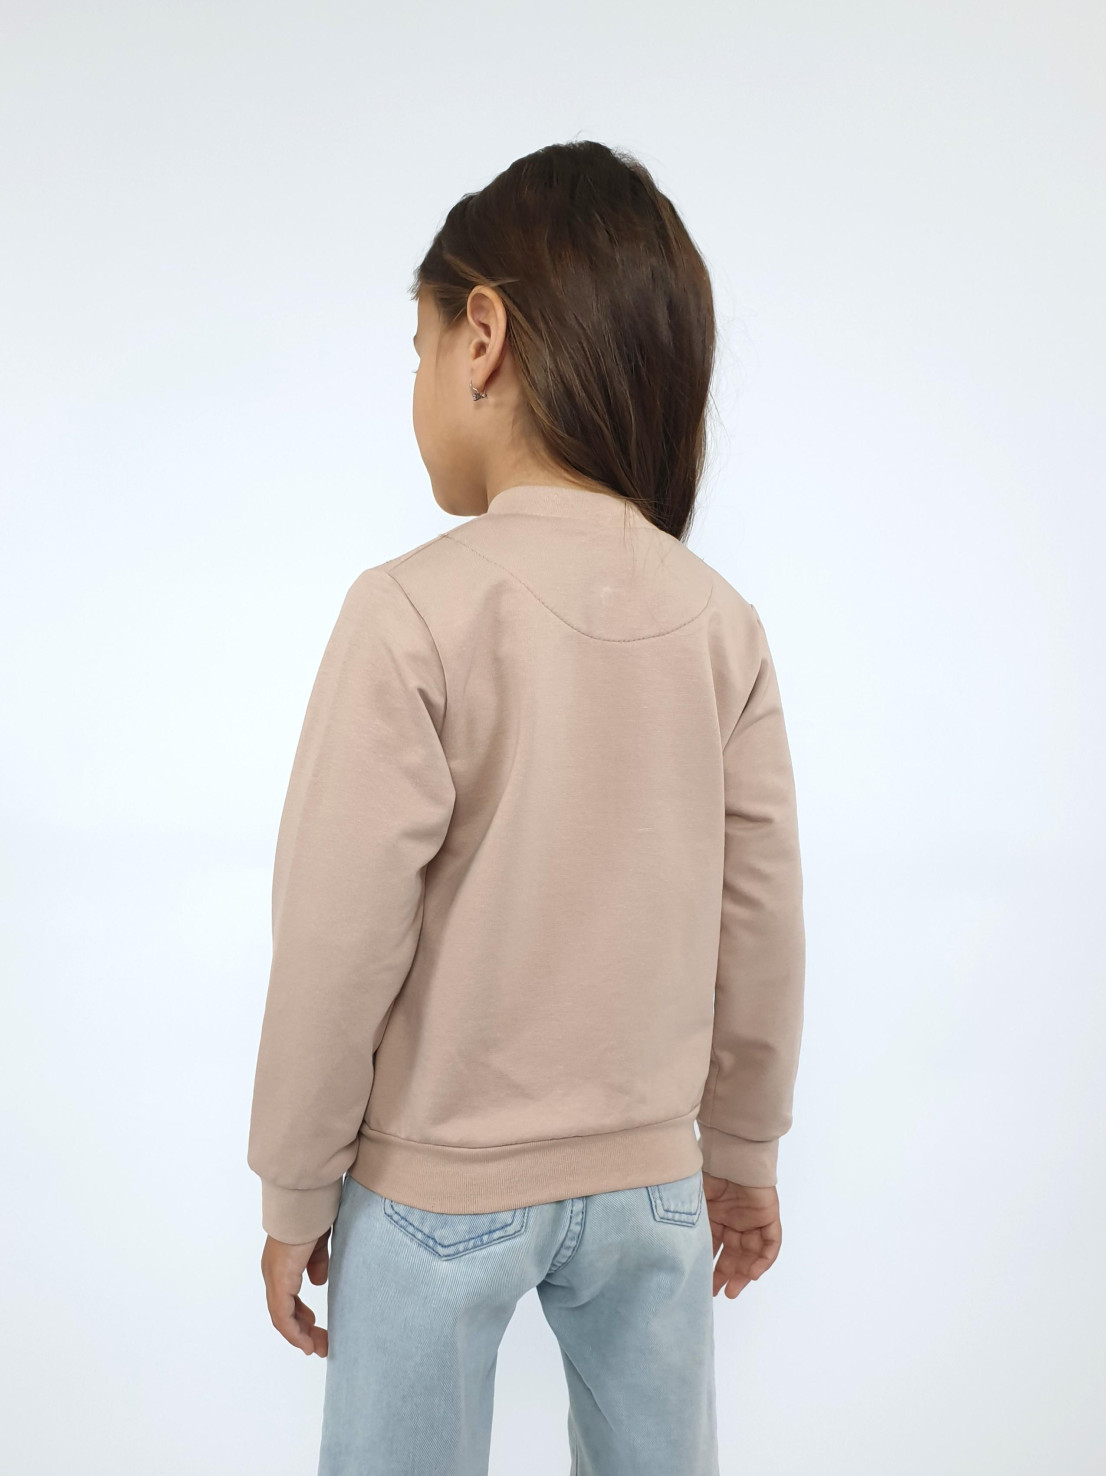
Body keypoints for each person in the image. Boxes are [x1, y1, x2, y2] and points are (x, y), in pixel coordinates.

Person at [247, 139, 806, 1476]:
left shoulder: (411, 611)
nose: (418, 381)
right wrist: (740, 1145)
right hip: (651, 1184)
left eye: (421, 344)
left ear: (482, 336)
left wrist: (295, 1180)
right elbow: (761, 916)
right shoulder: (720, 626)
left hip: (435, 1185)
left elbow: (336, 931)